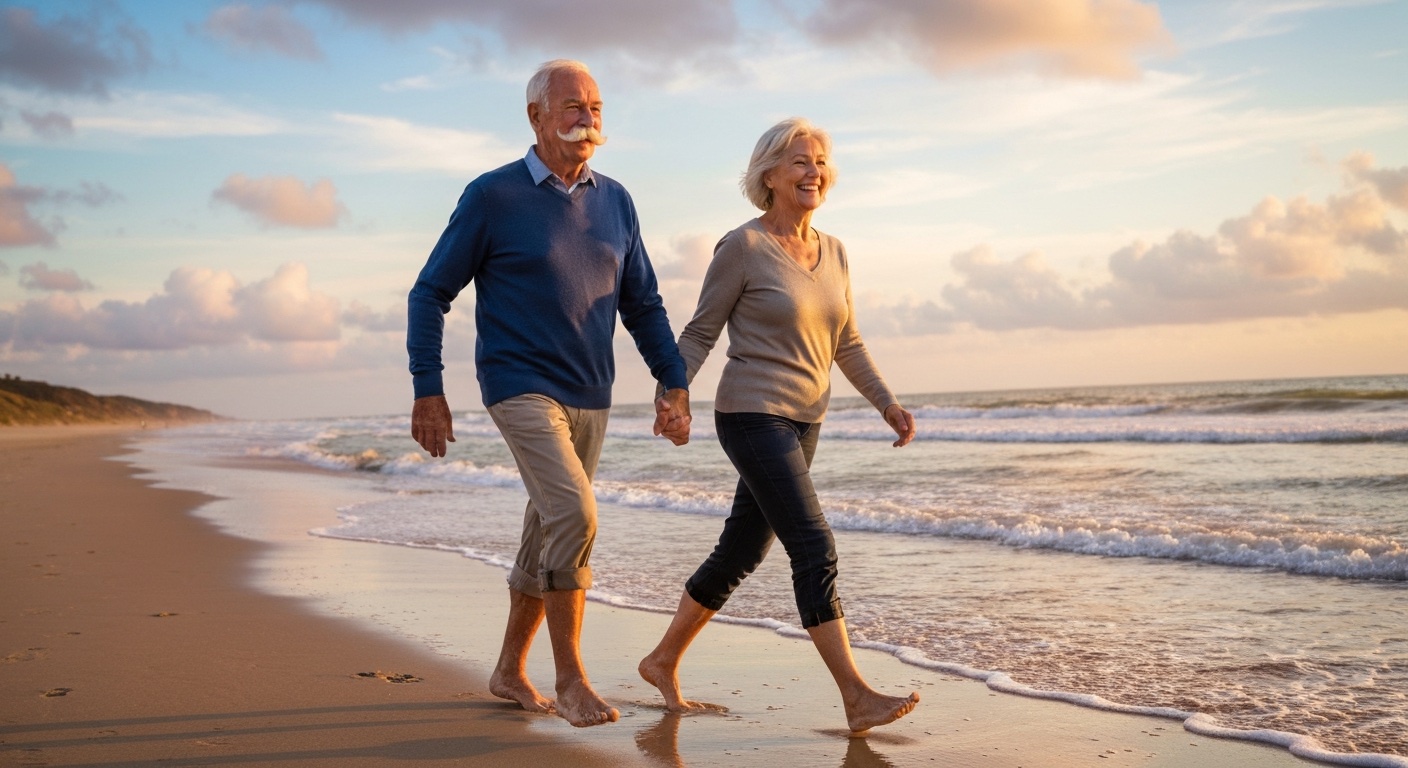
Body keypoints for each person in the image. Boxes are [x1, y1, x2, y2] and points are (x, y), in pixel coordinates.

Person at [407, 59, 692, 728]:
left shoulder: (616, 200)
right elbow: (430, 292)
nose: (585, 116)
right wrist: (429, 389)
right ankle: (571, 680)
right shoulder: (492, 196)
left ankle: (509, 671)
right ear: (535, 116)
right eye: (570, 105)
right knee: (576, 515)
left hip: (592, 393)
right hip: (518, 384)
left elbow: (643, 303)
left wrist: (671, 379)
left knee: (547, 529)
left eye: (594, 105)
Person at [637, 117, 920, 734]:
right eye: (799, 160)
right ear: (768, 173)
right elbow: (700, 332)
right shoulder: (742, 246)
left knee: (741, 550)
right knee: (814, 545)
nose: (813, 170)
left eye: (819, 160)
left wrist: (886, 403)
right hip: (751, 413)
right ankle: (855, 695)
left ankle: (661, 660)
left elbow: (846, 340)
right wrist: (673, 394)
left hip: (804, 420)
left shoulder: (836, 251)